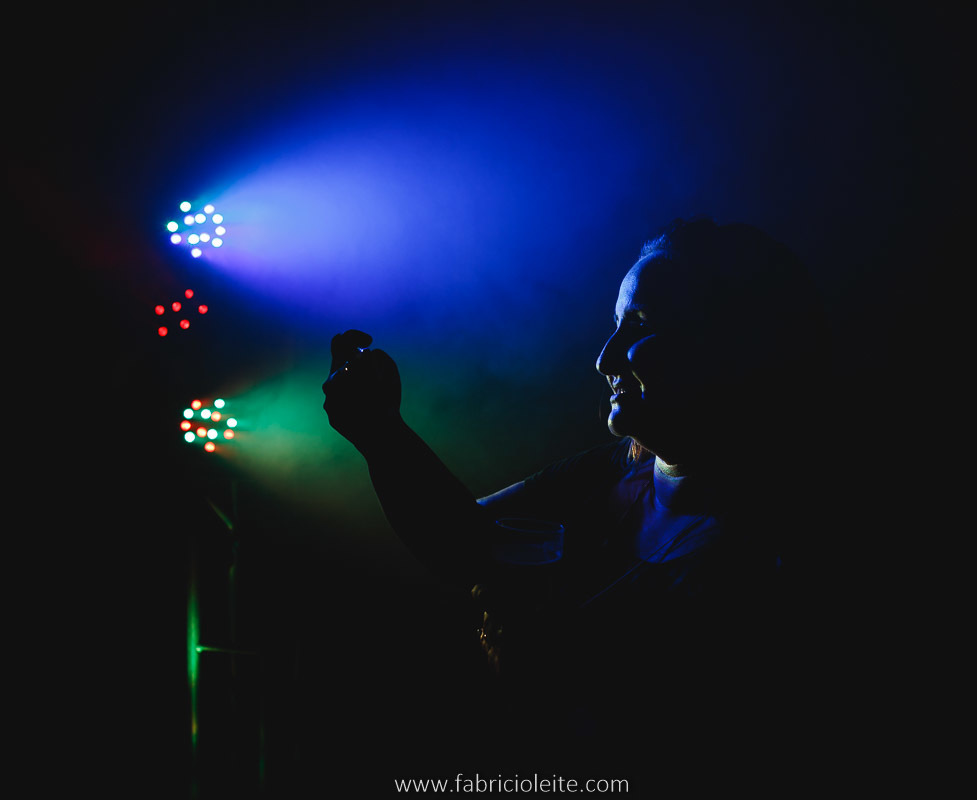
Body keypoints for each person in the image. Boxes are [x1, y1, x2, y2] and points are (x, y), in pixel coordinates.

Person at [322, 217, 832, 772]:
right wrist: (381, 431)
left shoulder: (785, 559)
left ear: (732, 344)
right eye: (615, 325)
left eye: (640, 325)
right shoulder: (610, 473)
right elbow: (459, 541)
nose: (605, 359)